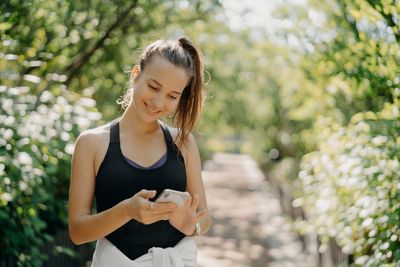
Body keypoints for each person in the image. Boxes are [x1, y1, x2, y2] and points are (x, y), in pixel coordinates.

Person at [68, 37, 211, 267]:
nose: (158, 101)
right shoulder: (91, 144)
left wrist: (189, 226)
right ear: (135, 75)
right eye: (153, 87)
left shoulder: (183, 142)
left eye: (172, 96)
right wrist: (126, 211)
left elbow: (204, 218)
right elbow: (77, 231)